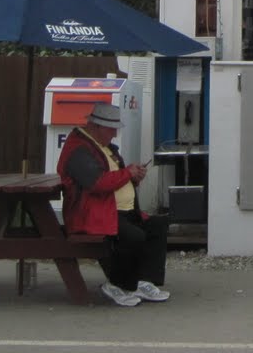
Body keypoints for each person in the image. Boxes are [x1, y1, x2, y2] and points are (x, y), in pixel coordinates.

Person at [57, 101, 170, 307]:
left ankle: (142, 281)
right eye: (111, 129)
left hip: (116, 211)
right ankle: (117, 284)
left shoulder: (103, 146)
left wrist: (133, 177)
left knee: (157, 226)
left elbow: (114, 176)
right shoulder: (79, 150)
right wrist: (128, 173)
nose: (114, 134)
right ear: (96, 126)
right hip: (93, 214)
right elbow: (98, 183)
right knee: (133, 236)